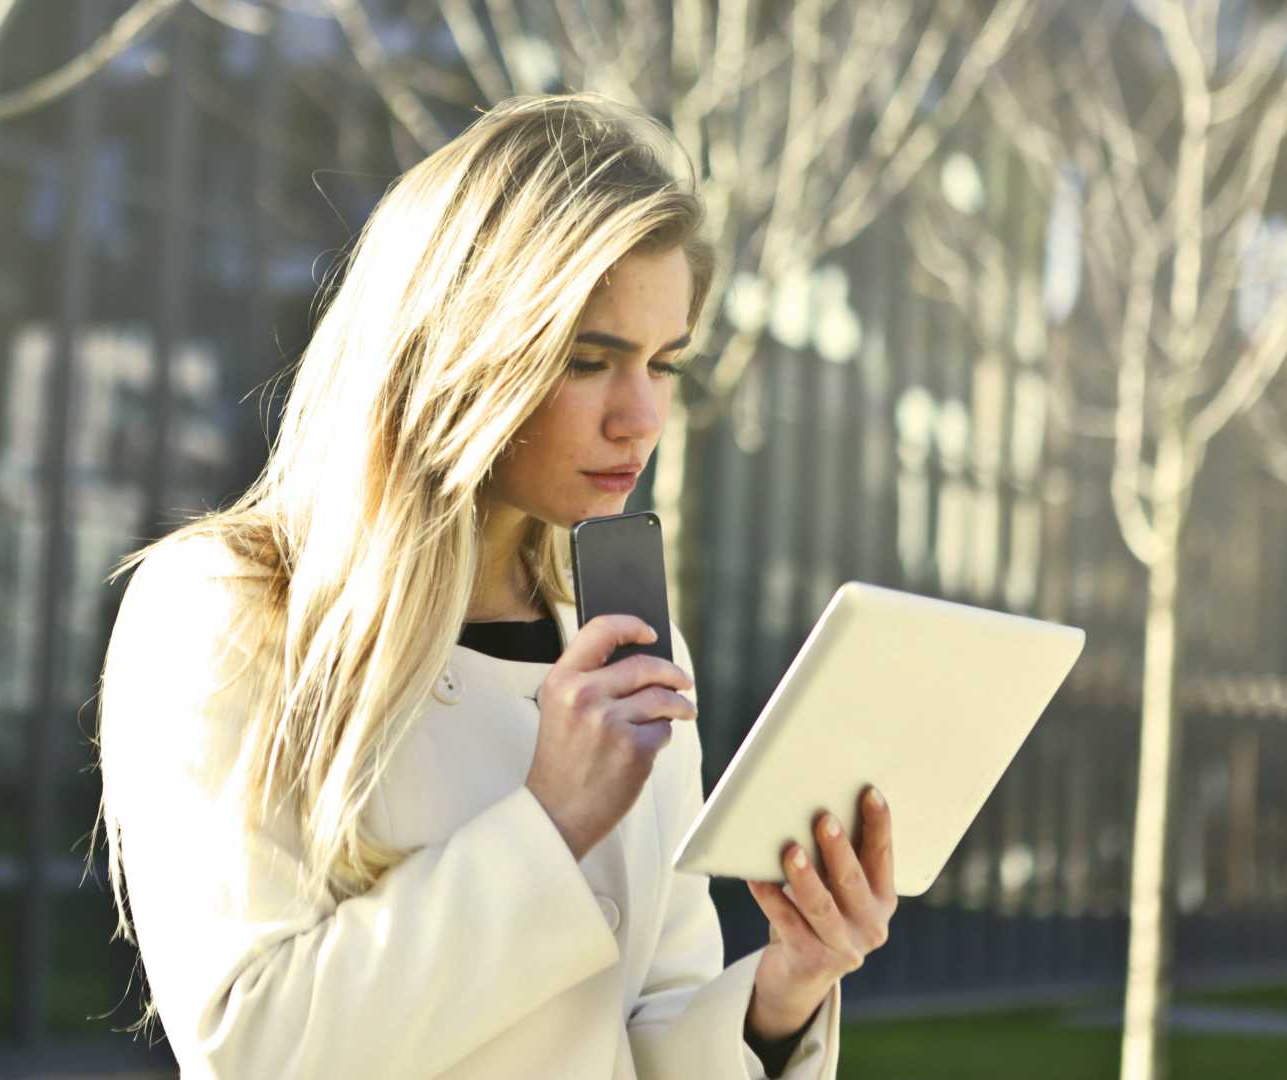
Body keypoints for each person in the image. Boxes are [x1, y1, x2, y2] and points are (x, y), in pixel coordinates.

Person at [94, 92, 897, 1079]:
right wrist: (549, 822)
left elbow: (643, 1024)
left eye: (664, 365)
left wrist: (778, 1000)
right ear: (464, 349)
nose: (640, 416)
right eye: (590, 360)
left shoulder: (629, 637)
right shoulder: (230, 608)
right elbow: (254, 1046)